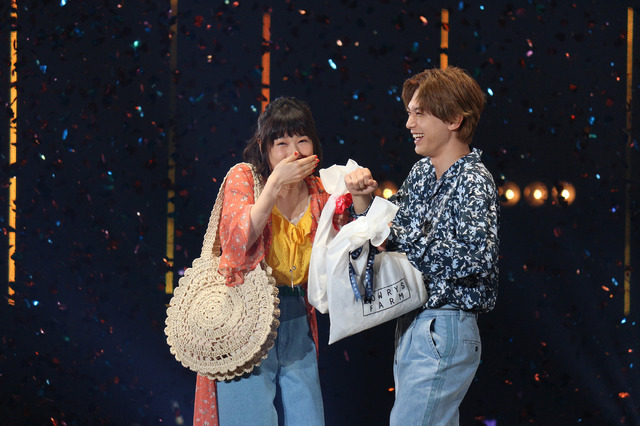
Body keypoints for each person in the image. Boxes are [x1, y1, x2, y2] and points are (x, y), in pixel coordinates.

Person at [344, 66, 500, 425]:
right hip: (414, 324)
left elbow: (475, 258)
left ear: (454, 120)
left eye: (420, 114)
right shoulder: (422, 173)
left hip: (445, 324)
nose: (409, 123)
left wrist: (397, 235)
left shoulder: (474, 180)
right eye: (409, 113)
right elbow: (386, 232)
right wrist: (363, 201)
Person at [194, 97, 337, 425]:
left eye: (302, 140)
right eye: (281, 143)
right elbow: (236, 242)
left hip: (297, 316)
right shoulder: (245, 177)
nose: (293, 153)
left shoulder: (320, 190)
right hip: (246, 315)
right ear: (263, 147)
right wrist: (274, 185)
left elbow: (347, 248)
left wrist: (360, 198)